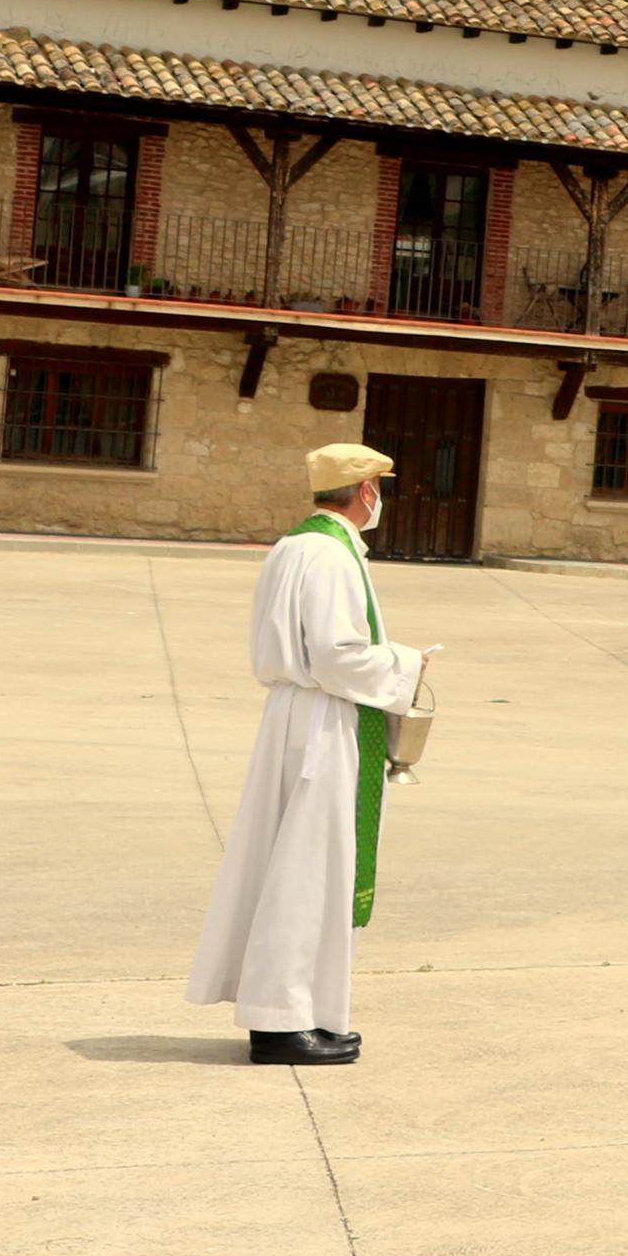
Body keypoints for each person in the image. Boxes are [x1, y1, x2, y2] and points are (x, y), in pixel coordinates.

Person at [186, 442, 434, 1065]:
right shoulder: (328, 556)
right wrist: (408, 663)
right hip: (324, 718)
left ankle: (300, 1011)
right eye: (382, 487)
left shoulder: (297, 545)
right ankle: (279, 1024)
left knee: (300, 864)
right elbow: (336, 655)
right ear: (368, 492)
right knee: (304, 870)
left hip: (299, 714)